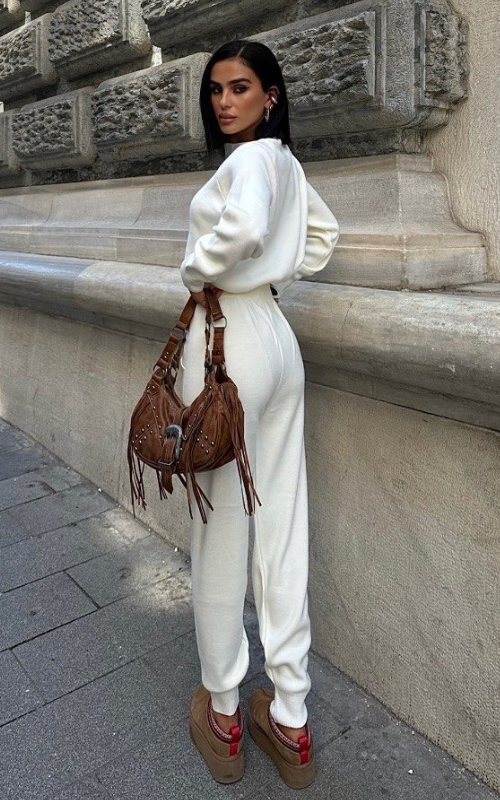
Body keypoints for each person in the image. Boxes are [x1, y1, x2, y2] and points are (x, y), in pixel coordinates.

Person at [178, 39, 340, 789]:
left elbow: (238, 231)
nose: (224, 101)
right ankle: (292, 716)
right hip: (276, 338)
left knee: (219, 529)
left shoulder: (247, 162)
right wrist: (274, 270)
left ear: (271, 95)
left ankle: (222, 710)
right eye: (216, 89)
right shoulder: (287, 164)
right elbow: (323, 238)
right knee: (281, 521)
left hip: (226, 340)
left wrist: (198, 270)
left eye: (240, 87)